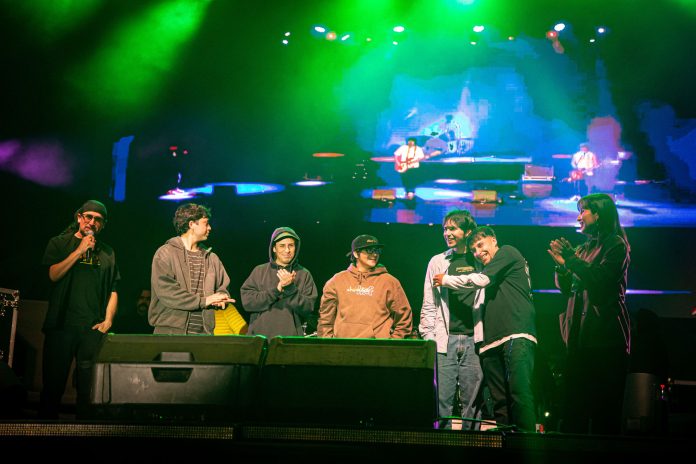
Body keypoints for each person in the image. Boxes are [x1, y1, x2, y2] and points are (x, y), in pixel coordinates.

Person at [434, 226, 537, 432]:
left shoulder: (507, 252)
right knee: (499, 401)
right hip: (490, 342)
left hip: (516, 333)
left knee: (519, 393)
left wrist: (446, 280)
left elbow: (481, 281)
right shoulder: (486, 268)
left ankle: (526, 442)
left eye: (481, 245)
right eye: (473, 250)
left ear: (494, 240)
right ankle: (506, 444)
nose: (478, 252)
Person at [548, 193, 631, 434]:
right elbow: (568, 289)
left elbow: (600, 281)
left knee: (605, 415)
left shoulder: (616, 245)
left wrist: (570, 259)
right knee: (574, 412)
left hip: (604, 341)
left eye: (582, 211)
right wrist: (562, 266)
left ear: (599, 214)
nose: (578, 217)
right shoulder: (584, 249)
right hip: (579, 340)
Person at [39, 200, 120, 419]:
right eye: (88, 217)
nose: (92, 222)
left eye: (98, 219)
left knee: (89, 393)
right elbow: (53, 275)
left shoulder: (108, 252)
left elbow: (113, 289)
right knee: (52, 388)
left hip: (92, 330)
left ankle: (85, 433)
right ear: (79, 218)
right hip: (61, 327)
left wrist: (108, 321)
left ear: (103, 224)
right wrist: (80, 250)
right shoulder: (59, 243)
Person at [419, 209, 484, 430]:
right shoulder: (438, 261)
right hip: (444, 340)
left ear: (467, 232)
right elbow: (429, 302)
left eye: (453, 228)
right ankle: (442, 444)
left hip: (474, 339)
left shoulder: (480, 259)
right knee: (441, 401)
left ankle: (471, 445)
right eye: (445, 229)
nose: (447, 233)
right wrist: (429, 337)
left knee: (472, 403)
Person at [149, 203, 234, 334]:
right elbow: (167, 292)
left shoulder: (212, 258)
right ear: (191, 224)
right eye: (206, 223)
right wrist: (204, 301)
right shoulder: (165, 253)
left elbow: (223, 287)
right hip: (171, 333)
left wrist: (222, 297)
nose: (210, 228)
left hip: (203, 333)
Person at [317, 234, 413, 339]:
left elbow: (404, 319)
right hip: (343, 346)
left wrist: (391, 344)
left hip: (377, 347)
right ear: (356, 253)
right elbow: (325, 320)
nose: (375, 254)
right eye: (369, 250)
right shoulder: (337, 280)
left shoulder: (390, 282)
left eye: (377, 250)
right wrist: (328, 344)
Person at [241, 227, 318, 337]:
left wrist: (290, 289)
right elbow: (248, 303)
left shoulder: (304, 274)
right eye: (282, 246)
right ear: (274, 248)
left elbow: (308, 308)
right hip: (260, 338)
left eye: (291, 245)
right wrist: (276, 290)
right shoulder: (259, 271)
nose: (287, 250)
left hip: (291, 339)